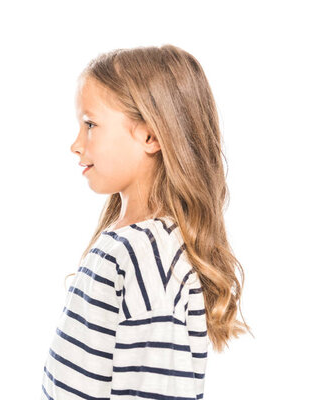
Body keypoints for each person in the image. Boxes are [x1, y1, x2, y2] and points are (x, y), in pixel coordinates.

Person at [40, 44, 253, 400]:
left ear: (151, 136)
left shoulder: (149, 259)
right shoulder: (128, 241)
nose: (76, 144)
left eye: (91, 125)